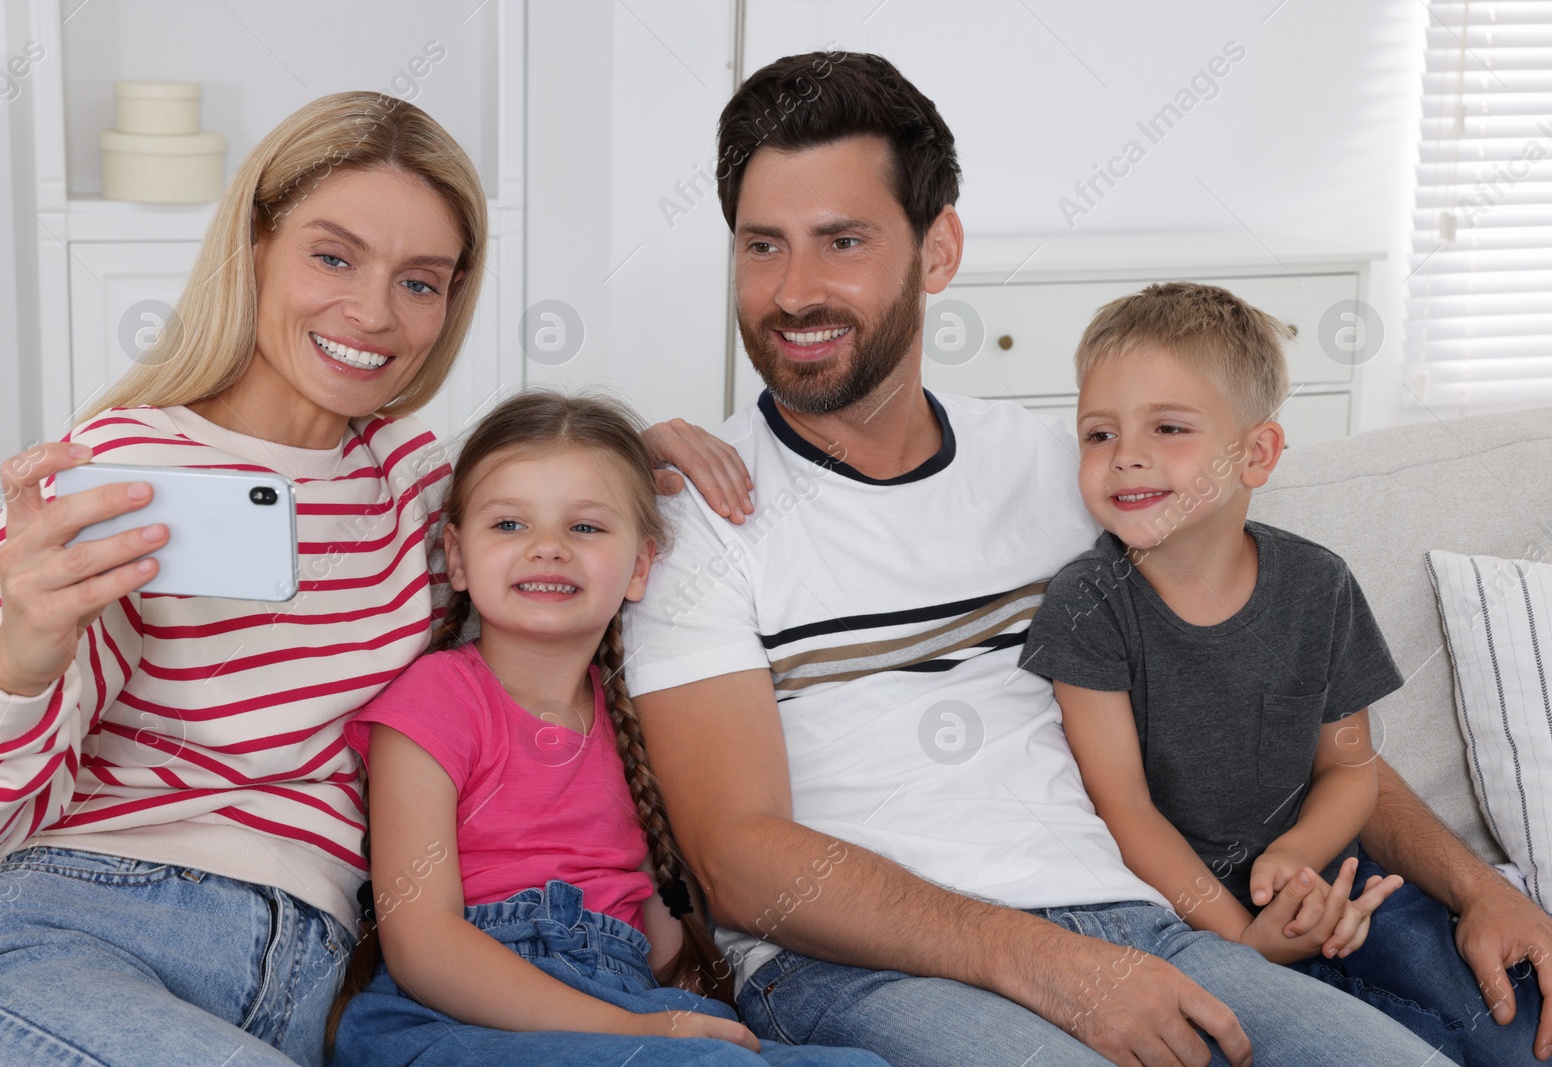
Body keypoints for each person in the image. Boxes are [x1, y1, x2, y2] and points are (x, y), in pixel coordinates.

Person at [621, 50, 1497, 1067]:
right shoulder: (696, 517)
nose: (794, 290)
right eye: (761, 245)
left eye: (843, 241)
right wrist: (1038, 961)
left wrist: (1481, 887)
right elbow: (740, 862)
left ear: (936, 250)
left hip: (1136, 926)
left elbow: (1280, 714)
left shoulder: (1075, 472)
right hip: (855, 966)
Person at [0, 92, 740, 1067]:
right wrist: (24, 648)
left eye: (421, 281)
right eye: (334, 256)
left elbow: (542, 522)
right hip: (89, 917)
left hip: (318, 969)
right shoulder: (119, 464)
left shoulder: (415, 490)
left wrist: (628, 454)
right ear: (254, 247)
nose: (372, 313)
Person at [1018, 281, 1542, 1063]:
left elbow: (1349, 768)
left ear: (1256, 452)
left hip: (1335, 882)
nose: (1125, 454)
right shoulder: (1087, 604)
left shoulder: (1317, 583)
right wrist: (1242, 939)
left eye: (1168, 426)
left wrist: (1297, 856)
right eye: (1099, 433)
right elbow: (1122, 805)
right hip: (1188, 918)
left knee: (1504, 1034)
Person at [323, 389, 885, 1067]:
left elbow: (652, 928)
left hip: (620, 994)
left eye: (585, 528)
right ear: (458, 556)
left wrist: (674, 1001)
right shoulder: (436, 699)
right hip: (455, 1013)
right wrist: (630, 1031)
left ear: (641, 564)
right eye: (509, 525)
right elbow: (423, 945)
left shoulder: (633, 721)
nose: (549, 549)